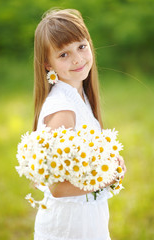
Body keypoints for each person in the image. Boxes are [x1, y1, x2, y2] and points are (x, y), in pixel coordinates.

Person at [33, 8, 126, 240]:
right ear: (48, 64)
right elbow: (57, 187)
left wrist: (108, 160)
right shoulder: (63, 109)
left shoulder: (79, 96)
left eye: (81, 47)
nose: (77, 58)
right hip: (70, 227)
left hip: (85, 218)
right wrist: (108, 176)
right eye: (63, 54)